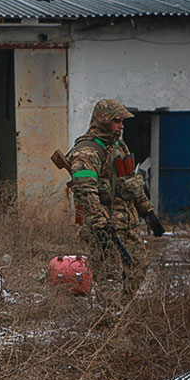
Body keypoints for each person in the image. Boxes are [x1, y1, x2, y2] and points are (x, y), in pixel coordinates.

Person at [67, 99, 164, 307]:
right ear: (103, 121)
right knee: (109, 277)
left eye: (122, 122)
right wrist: (100, 223)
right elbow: (85, 190)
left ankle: (121, 310)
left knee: (138, 267)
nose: (122, 126)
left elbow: (130, 182)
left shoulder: (118, 146)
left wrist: (147, 211)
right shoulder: (87, 151)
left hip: (126, 223)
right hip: (105, 227)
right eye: (117, 121)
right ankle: (107, 324)